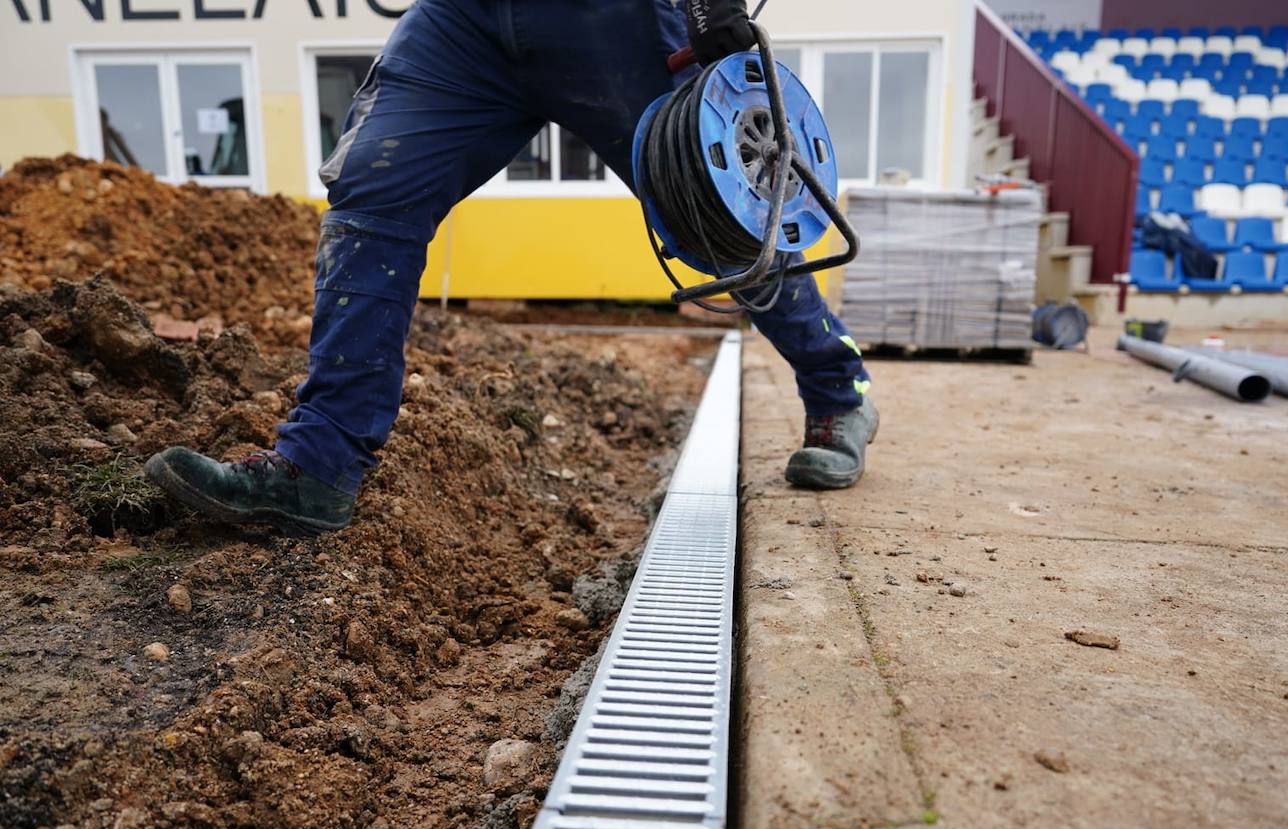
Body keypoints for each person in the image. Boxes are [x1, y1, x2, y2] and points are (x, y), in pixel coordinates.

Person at [145, 0, 877, 536]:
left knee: (712, 213)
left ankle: (837, 391)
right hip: (464, 24)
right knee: (375, 183)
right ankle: (319, 466)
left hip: (611, 21)